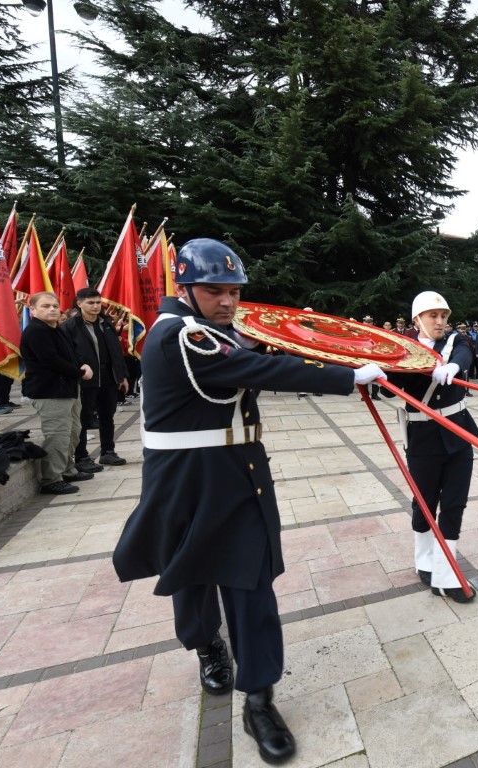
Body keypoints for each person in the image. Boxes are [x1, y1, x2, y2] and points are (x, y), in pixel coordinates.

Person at [111, 239, 386, 764]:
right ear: (185, 287)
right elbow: (258, 371)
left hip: (239, 473)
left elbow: (251, 356)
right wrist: (346, 377)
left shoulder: (213, 333)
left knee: (251, 582)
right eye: (215, 290)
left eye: (234, 291)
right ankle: (206, 645)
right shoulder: (178, 336)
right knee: (190, 575)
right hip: (186, 477)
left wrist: (300, 338)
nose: (228, 301)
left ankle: (259, 699)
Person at [382, 291, 478, 604]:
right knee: (424, 501)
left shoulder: (455, 342)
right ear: (417, 320)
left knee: (454, 503)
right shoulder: (401, 350)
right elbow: (387, 391)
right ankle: (424, 560)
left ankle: (445, 572)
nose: (440, 322)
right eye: (432, 316)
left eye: (443, 316)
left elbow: (465, 354)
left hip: (458, 431)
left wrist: (452, 368)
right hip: (422, 435)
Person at [20, 292, 94, 494]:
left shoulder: (56, 329)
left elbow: (70, 356)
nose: (52, 309)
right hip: (50, 393)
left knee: (73, 433)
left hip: (68, 389)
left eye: (55, 305)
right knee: (57, 436)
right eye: (45, 306)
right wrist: (80, 372)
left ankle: (67, 469)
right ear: (33, 310)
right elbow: (51, 361)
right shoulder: (36, 331)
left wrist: (81, 365)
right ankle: (51, 479)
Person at [60, 288, 130, 473]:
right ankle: (81, 456)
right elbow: (66, 355)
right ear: (79, 303)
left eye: (98, 302)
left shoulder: (105, 324)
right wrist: (77, 372)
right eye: (90, 303)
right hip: (85, 379)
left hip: (108, 377)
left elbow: (116, 352)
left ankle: (108, 451)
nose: (95, 306)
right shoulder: (69, 327)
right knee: (83, 419)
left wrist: (122, 376)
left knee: (108, 415)